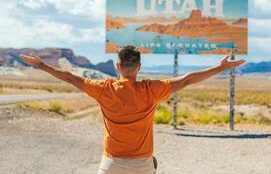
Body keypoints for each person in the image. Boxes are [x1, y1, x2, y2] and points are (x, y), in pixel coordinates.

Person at [19, 45, 246, 174]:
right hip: (142, 164)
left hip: (111, 164)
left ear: (118, 66)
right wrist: (220, 67)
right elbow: (187, 80)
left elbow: (69, 77)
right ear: (139, 67)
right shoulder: (152, 89)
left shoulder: (104, 89)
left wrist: (41, 65)